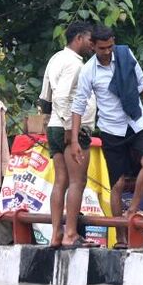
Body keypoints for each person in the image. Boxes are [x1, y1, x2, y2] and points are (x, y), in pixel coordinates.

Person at [69, 26, 143, 247]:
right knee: (118, 184)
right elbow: (78, 105)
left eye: (110, 46)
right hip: (111, 129)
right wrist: (74, 139)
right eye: (102, 48)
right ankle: (121, 238)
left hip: (136, 121)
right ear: (92, 46)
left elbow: (142, 84)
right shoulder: (88, 71)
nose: (108, 51)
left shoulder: (125, 54)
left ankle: (132, 209)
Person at [40, 21, 99, 249]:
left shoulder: (55, 59)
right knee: (77, 181)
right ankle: (70, 234)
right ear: (79, 39)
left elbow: (45, 97)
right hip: (71, 127)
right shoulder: (75, 64)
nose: (92, 46)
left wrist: (53, 122)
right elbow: (63, 96)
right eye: (90, 41)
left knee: (60, 181)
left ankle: (56, 234)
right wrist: (69, 129)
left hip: (54, 125)